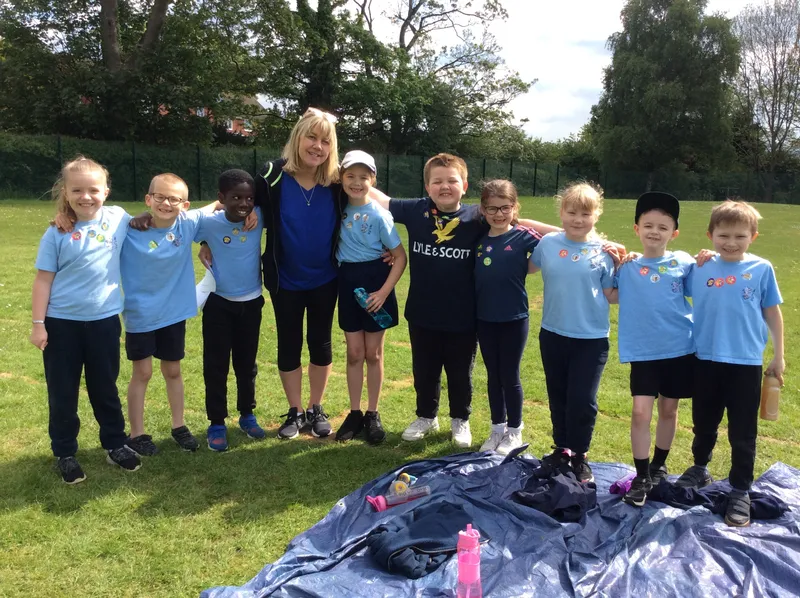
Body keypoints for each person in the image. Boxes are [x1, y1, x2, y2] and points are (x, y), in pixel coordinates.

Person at [370, 154, 560, 448]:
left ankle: (460, 419)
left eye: (451, 181)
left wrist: (581, 236)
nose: (444, 186)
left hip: (464, 315)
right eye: (437, 181)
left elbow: (520, 221)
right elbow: (378, 198)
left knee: (460, 373)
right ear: (427, 185)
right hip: (422, 311)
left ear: (464, 185)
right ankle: (426, 416)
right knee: (424, 370)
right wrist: (337, 169)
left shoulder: (479, 217)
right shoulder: (416, 210)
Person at [201, 108, 345, 440]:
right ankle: (295, 412)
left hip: (326, 278)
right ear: (297, 138)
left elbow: (367, 200)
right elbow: (233, 200)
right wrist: (208, 239)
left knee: (321, 344)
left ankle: (316, 408)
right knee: (289, 345)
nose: (317, 146)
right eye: (311, 137)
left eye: (325, 140)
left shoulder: (337, 181)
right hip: (285, 280)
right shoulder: (272, 175)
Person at [30, 156, 141, 483]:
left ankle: (115, 444)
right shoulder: (56, 232)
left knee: (105, 388)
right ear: (65, 192)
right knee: (63, 392)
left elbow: (163, 220)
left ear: (106, 191)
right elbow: (43, 280)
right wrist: (38, 325)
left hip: (104, 323)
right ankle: (65, 452)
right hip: (61, 326)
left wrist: (215, 210)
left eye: (93, 189)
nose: (86, 196)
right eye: (77, 190)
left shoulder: (119, 217)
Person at [675, 200, 784, 528]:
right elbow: (668, 280)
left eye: (740, 236)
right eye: (723, 235)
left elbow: (772, 313)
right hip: (705, 358)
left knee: (742, 430)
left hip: (745, 363)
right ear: (710, 235)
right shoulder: (700, 268)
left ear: (754, 235)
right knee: (703, 421)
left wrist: (778, 355)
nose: (731, 242)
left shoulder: (761, 269)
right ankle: (699, 468)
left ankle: (740, 489)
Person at [606, 192, 696, 506]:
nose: (654, 232)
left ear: (674, 232)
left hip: (679, 350)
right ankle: (641, 474)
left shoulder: (684, 262)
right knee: (640, 412)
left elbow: (704, 290)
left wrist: (710, 258)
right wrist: (610, 256)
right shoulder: (627, 266)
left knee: (669, 411)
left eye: (662, 226)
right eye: (648, 225)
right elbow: (610, 295)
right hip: (643, 353)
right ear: (637, 229)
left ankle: (659, 466)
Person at [529, 183, 615, 483]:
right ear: (561, 212)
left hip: (591, 340)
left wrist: (629, 267)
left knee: (583, 399)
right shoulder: (548, 244)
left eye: (586, 213)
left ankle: (580, 455)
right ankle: (561, 449)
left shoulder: (605, 252)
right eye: (572, 212)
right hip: (552, 333)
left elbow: (612, 295)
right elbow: (525, 265)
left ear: (597, 214)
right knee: (558, 395)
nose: (578, 219)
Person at [120, 173, 204, 456]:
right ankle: (137, 434)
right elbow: (96, 214)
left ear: (185, 204)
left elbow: (221, 205)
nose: (167, 203)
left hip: (173, 314)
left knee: (173, 370)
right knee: (141, 373)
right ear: (148, 199)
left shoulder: (188, 224)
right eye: (160, 197)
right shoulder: (127, 228)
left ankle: (179, 426)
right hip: (140, 315)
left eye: (174, 199)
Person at [333, 151, 407, 444]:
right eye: (350, 176)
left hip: (377, 284)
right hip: (348, 283)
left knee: (373, 353)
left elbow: (399, 257)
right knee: (354, 353)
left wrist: (384, 292)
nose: (356, 182)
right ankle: (354, 413)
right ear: (341, 178)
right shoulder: (335, 208)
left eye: (364, 177)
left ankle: (373, 413)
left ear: (372, 180)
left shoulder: (379, 213)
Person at [195, 170, 265, 451]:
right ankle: (216, 422)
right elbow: (179, 220)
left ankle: (247, 415)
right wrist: (203, 243)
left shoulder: (258, 216)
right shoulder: (208, 223)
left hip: (251, 303)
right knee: (216, 366)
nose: (244, 204)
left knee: (247, 365)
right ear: (221, 198)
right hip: (218, 304)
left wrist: (256, 209)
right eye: (236, 197)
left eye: (249, 198)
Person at [474, 180, 541, 455]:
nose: (498, 214)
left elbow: (559, 243)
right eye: (492, 208)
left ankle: (515, 431)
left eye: (505, 208)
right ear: (483, 209)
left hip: (514, 318)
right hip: (484, 318)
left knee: (510, 375)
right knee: (493, 376)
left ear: (515, 208)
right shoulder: (477, 237)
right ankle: (496, 429)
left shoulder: (524, 236)